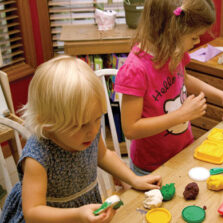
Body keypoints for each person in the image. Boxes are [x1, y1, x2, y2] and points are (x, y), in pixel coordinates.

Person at [0, 55, 161, 223]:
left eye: (97, 118)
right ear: (47, 123)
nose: (92, 130)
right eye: (81, 125)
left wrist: (134, 179)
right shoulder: (37, 156)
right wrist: (77, 214)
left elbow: (103, 155)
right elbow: (33, 213)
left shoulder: (89, 131)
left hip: (83, 212)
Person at [115, 0, 223, 176]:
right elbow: (131, 129)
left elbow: (184, 79)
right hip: (151, 168)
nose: (198, 41)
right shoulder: (136, 69)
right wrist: (180, 115)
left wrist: (222, 96)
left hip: (183, 152)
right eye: (194, 37)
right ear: (171, 32)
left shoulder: (172, 50)